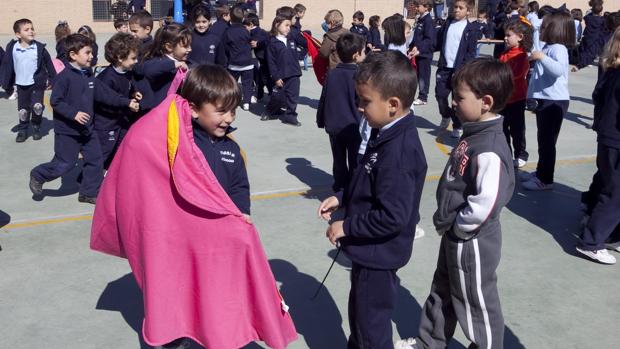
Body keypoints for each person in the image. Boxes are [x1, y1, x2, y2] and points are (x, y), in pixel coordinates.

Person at [90, 63, 297, 349]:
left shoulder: (231, 149)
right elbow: (140, 148)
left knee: (214, 291)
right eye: (221, 111)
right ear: (194, 110)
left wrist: (241, 213)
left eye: (233, 110)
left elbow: (238, 186)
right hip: (182, 236)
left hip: (217, 237)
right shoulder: (175, 143)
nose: (228, 118)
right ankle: (176, 333)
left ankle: (218, 332)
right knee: (178, 286)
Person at [395, 57, 515, 349]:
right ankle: (429, 342)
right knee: (443, 290)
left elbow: (486, 201)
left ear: (485, 102)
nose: (453, 102)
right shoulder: (473, 133)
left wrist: (461, 227)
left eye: (459, 97)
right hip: (455, 234)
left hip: (470, 241)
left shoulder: (489, 148)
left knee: (476, 299)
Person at [318, 51, 427, 349]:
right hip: (369, 251)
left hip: (379, 254)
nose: (359, 108)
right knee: (361, 320)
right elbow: (368, 180)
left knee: (371, 330)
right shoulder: (384, 133)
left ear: (393, 105)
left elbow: (392, 216)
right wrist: (342, 198)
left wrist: (347, 227)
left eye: (365, 102)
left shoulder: (399, 152)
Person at [29, 34, 139, 204]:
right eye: (87, 53)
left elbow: (107, 95)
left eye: (92, 52)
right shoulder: (64, 77)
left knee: (95, 161)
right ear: (73, 55)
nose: (92, 56)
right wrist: (74, 114)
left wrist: (127, 102)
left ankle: (88, 192)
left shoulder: (89, 76)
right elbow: (55, 101)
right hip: (68, 131)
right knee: (65, 163)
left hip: (88, 130)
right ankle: (38, 175)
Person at [575, 26, 620, 265]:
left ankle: (610, 233)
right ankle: (591, 241)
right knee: (616, 193)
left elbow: (598, 98)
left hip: (607, 136)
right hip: (615, 138)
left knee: (608, 183)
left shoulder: (611, 69)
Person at [521, 11, 575, 191]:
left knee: (547, 142)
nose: (541, 28)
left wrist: (541, 57)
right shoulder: (548, 47)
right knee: (543, 140)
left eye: (545, 26)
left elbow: (559, 70)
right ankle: (541, 171)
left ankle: (545, 179)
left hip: (554, 101)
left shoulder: (558, 48)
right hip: (546, 99)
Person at [317, 33, 365, 192]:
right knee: (354, 159)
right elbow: (361, 101)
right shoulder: (359, 75)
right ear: (356, 54)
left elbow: (324, 97)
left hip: (334, 126)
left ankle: (339, 186)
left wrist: (321, 119)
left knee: (338, 159)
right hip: (353, 126)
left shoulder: (332, 73)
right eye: (362, 51)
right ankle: (352, 188)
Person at [0, 18, 56, 143]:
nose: (31, 31)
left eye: (32, 28)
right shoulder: (13, 48)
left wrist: (53, 80)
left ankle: (36, 126)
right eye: (27, 30)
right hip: (21, 84)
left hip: (37, 83)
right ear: (18, 34)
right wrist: (6, 83)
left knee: (37, 107)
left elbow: (49, 65)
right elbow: (6, 65)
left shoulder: (39, 48)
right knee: (23, 110)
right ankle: (23, 129)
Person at [434, 0, 481, 138]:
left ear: (468, 11)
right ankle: (445, 115)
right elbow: (437, 42)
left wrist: (462, 70)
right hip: (444, 67)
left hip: (459, 71)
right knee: (440, 95)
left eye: (461, 8)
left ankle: (457, 125)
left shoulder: (471, 29)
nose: (457, 10)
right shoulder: (447, 24)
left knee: (457, 101)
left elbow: (471, 53)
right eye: (455, 7)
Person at [94, 33, 141, 169]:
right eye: (133, 58)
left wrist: (134, 92)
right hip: (106, 124)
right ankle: (87, 180)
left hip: (121, 120)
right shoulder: (106, 78)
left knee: (122, 147)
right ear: (120, 58)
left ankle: (111, 174)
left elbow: (128, 85)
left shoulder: (127, 71)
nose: (136, 61)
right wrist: (128, 103)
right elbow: (109, 100)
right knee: (104, 152)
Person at [499, 17, 533, 168]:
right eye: (505, 35)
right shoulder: (504, 54)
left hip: (517, 98)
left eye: (508, 35)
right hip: (503, 98)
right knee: (502, 127)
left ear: (520, 37)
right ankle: (506, 153)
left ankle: (521, 153)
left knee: (517, 129)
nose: (505, 38)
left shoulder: (521, 55)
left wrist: (500, 76)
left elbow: (517, 74)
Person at [139, 22, 191, 112]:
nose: (190, 49)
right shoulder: (159, 61)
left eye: (190, 45)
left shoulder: (186, 63)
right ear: (169, 47)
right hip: (158, 113)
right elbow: (148, 70)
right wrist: (174, 64)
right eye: (185, 46)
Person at [264, 14, 302, 126]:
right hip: (281, 76)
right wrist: (275, 77)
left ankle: (290, 116)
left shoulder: (291, 40)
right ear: (277, 25)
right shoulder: (272, 43)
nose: (288, 28)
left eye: (289, 26)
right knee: (278, 97)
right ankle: (270, 110)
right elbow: (271, 63)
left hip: (294, 73)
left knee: (293, 97)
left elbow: (302, 46)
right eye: (286, 25)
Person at [223, 4, 255, 111]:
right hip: (247, 62)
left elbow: (225, 47)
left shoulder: (228, 31)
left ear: (230, 17)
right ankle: (246, 102)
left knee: (233, 84)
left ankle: (232, 101)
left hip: (234, 63)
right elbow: (250, 42)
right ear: (243, 18)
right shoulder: (245, 31)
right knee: (247, 83)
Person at [410, 0, 436, 105]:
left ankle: (423, 97)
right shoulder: (420, 19)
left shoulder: (428, 21)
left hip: (424, 54)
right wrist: (412, 46)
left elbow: (429, 39)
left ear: (426, 7)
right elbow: (417, 37)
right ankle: (416, 95)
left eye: (418, 6)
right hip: (417, 53)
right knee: (416, 75)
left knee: (423, 76)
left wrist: (419, 49)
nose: (416, 8)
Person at [244, 12, 271, 100]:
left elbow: (256, 42)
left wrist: (257, 43)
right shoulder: (262, 31)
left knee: (264, 79)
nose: (245, 29)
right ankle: (261, 95)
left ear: (251, 25)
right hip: (266, 59)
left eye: (245, 27)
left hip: (262, 59)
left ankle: (270, 94)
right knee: (262, 78)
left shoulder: (253, 33)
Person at [577, 0, 606, 68]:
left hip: (587, 35)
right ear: (600, 11)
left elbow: (586, 16)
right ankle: (588, 61)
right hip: (596, 37)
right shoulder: (601, 20)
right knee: (592, 51)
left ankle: (583, 61)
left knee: (585, 49)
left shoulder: (588, 18)